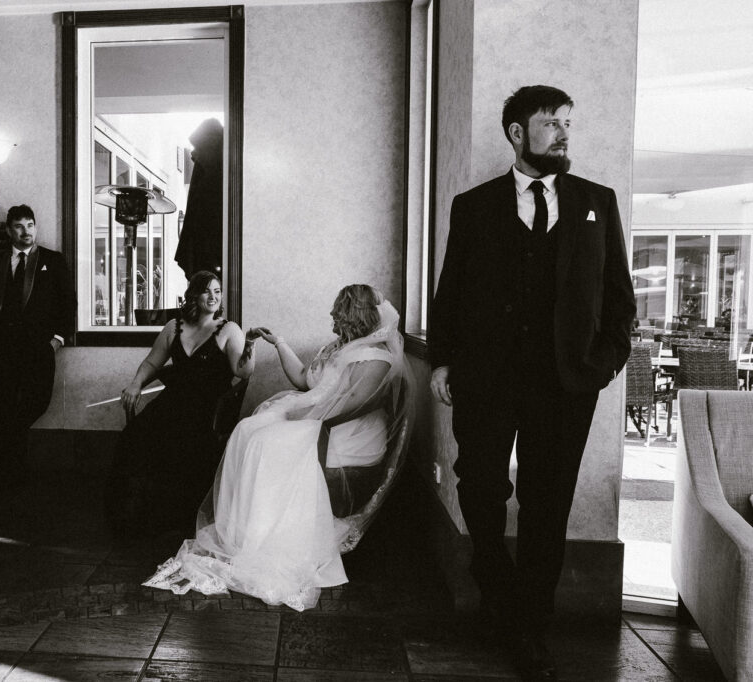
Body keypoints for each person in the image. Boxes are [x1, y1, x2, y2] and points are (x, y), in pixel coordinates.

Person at [428, 86, 635, 681]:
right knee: (480, 488)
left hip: (566, 386)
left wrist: (604, 363)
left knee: (548, 503)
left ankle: (530, 627)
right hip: (487, 379)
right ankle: (496, 584)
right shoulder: (473, 206)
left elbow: (619, 299)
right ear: (517, 133)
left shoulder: (597, 202)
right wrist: (442, 361)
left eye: (568, 122)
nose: (564, 133)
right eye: (550, 123)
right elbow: (451, 291)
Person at [143, 285, 413, 611]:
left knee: (266, 443)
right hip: (317, 417)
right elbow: (302, 379)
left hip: (345, 433)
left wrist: (310, 418)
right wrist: (279, 342)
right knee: (247, 430)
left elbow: (356, 403)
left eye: (337, 311)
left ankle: (266, 539)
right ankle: (245, 535)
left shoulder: (376, 356)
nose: (331, 315)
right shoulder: (338, 348)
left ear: (352, 314)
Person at [105, 271, 256, 537]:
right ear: (194, 295)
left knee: (181, 442)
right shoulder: (174, 327)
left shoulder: (229, 329)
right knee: (135, 436)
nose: (213, 297)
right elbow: (152, 362)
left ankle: (177, 519)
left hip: (208, 407)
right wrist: (136, 383)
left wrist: (250, 344)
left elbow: (243, 371)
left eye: (217, 291)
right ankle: (137, 517)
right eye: (207, 291)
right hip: (173, 401)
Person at [0, 205, 73, 482]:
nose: (26, 231)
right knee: (3, 408)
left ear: (35, 227)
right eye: (19, 226)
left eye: (30, 225)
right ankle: (9, 475)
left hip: (38, 349)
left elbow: (68, 303)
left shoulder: (53, 260)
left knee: (37, 401)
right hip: (1, 351)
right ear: (9, 231)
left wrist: (57, 340)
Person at [174, 118, 223, 279]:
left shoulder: (207, 167)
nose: (194, 154)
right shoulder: (212, 167)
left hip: (207, 243)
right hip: (209, 242)